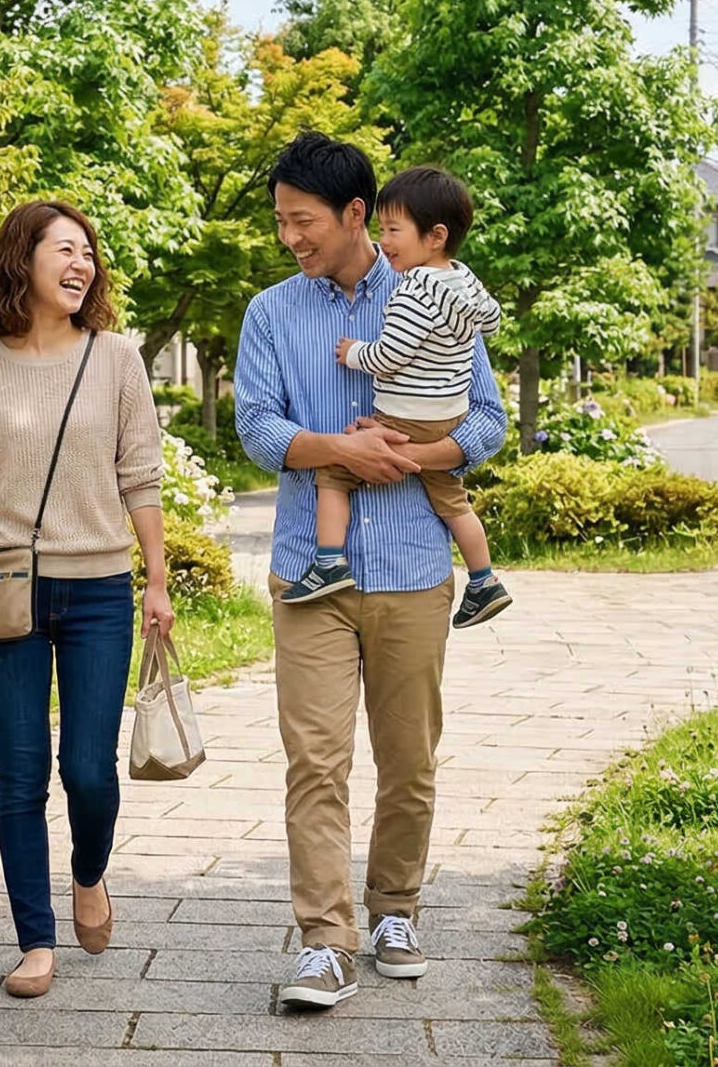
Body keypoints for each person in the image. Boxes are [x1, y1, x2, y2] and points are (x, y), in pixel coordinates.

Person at [235, 134, 507, 1011]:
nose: (289, 238)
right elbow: (258, 428)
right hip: (308, 572)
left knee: (408, 758)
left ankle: (396, 910)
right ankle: (325, 941)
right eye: (281, 221)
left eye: (302, 220)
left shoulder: (439, 289)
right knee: (314, 760)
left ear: (358, 215)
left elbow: (492, 421)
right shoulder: (272, 312)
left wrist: (429, 451)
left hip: (414, 566)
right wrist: (339, 449)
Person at [0, 199, 171, 1001]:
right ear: (22, 261)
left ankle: (89, 872)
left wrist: (158, 581)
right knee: (21, 773)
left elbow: (141, 473)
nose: (81, 265)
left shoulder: (118, 360)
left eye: (87, 252)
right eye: (63, 250)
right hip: (9, 586)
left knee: (89, 772)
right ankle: (35, 941)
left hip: (102, 587)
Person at [287, 164, 513, 630]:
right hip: (447, 416)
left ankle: (329, 560)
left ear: (434, 236)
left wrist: (353, 353)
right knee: (454, 501)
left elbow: (389, 355)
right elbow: (491, 320)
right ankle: (485, 580)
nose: (384, 239)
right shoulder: (462, 279)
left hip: (407, 419)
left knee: (334, 470)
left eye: (393, 229)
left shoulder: (413, 289)